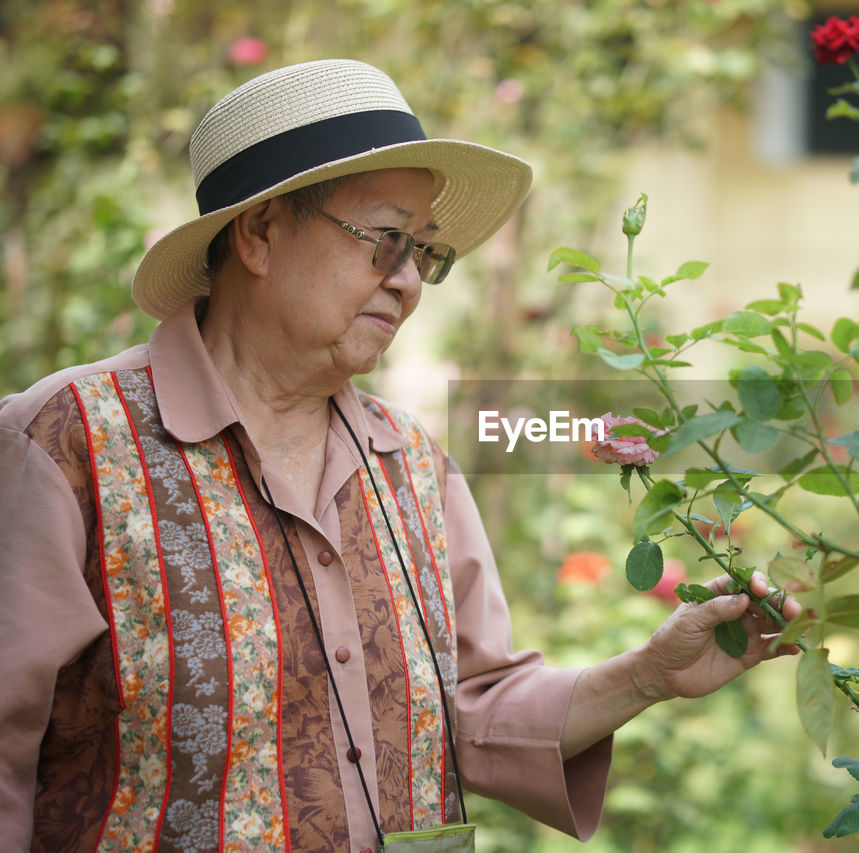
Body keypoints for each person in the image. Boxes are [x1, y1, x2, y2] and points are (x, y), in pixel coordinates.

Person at [0, 59, 799, 852]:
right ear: (261, 232)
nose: (410, 283)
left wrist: (647, 675)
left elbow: (474, 702)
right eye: (386, 242)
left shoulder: (411, 464)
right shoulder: (69, 443)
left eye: (425, 252)